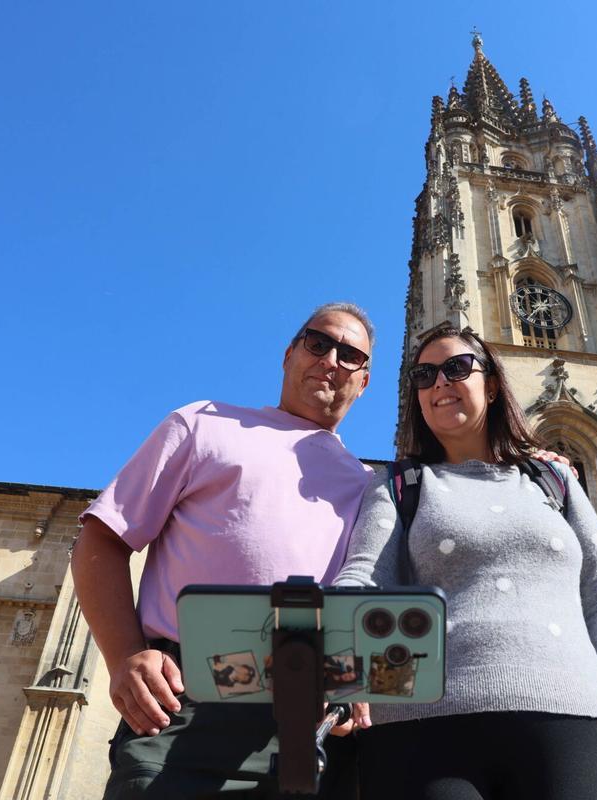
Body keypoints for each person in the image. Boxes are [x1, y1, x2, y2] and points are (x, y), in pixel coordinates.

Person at [334, 326, 597, 800]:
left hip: (569, 718)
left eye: (456, 368)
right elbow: (364, 578)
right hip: (422, 730)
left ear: (490, 385)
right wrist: (341, 671)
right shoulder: (398, 485)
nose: (439, 383)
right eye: (424, 375)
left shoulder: (554, 480)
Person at [72, 302, 376, 799]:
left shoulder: (371, 488)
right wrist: (125, 655)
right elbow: (101, 541)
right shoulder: (204, 424)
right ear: (289, 354)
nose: (330, 360)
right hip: (185, 707)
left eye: (350, 355)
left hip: (311, 724)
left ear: (363, 382)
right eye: (317, 343)